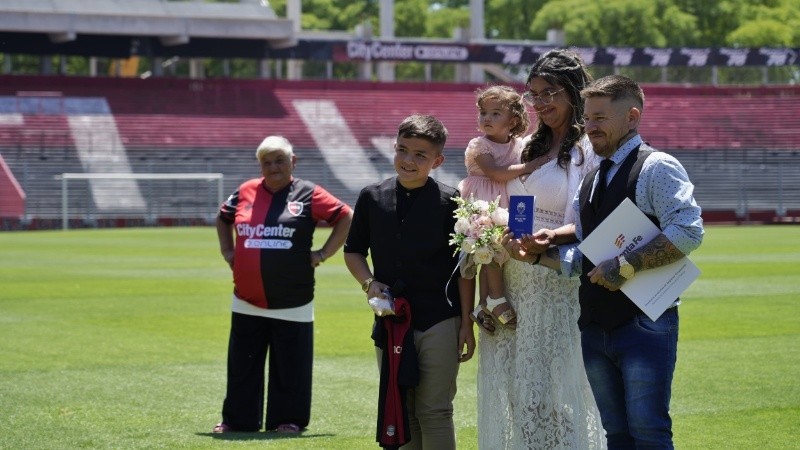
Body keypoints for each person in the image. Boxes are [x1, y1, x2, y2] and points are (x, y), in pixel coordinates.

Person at [505, 75, 704, 449]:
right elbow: (587, 256)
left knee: (649, 432)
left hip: (645, 322)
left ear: (632, 117)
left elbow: (689, 232)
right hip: (595, 323)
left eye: (600, 117)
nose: (590, 126)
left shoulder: (658, 167)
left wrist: (626, 265)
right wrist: (535, 256)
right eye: (588, 118)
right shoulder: (593, 175)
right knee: (617, 435)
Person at [477, 49, 606, 449]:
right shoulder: (526, 146)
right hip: (513, 285)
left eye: (550, 92)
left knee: (558, 389)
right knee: (520, 394)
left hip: (556, 281)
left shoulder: (588, 149)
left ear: (573, 91)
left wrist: (547, 239)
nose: (541, 102)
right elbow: (508, 206)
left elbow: (586, 218)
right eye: (534, 94)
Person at [343, 114, 475, 449]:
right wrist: (369, 283)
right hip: (390, 321)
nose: (408, 160)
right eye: (403, 150)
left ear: (438, 160)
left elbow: (464, 269)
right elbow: (353, 251)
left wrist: (465, 324)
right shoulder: (371, 197)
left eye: (420, 155)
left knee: (435, 411)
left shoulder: (452, 202)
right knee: (401, 411)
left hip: (439, 321)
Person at [212, 135, 353, 434]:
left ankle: (288, 420)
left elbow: (345, 216)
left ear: (293, 161)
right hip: (246, 298)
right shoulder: (245, 191)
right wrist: (228, 251)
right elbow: (223, 218)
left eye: (280, 160)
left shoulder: (308, 193)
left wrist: (323, 254)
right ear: (260, 165)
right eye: (267, 162)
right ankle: (238, 420)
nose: (273, 167)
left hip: (294, 299)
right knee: (242, 365)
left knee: (291, 367)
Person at [458, 85, 533, 330]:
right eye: (483, 113)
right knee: (488, 249)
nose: (486, 119)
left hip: (505, 200)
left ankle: (482, 304)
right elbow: (496, 173)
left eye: (495, 114)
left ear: (513, 121)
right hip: (482, 200)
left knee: (492, 252)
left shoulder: (518, 145)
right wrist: (531, 166)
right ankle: (497, 299)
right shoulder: (479, 145)